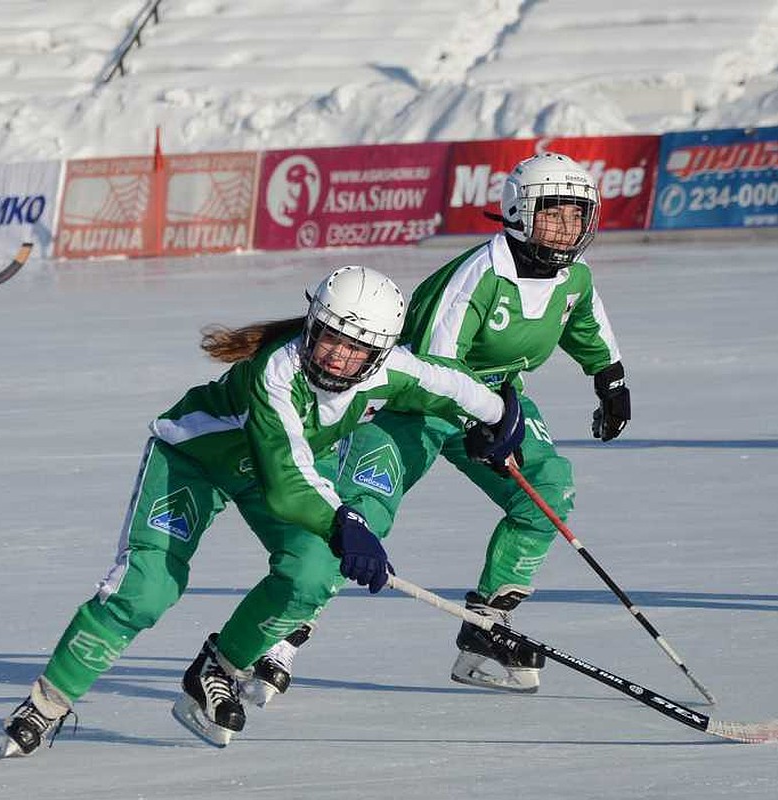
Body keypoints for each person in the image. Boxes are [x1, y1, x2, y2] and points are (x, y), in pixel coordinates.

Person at [0, 265, 526, 757]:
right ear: (313, 325)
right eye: (329, 338)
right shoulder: (276, 373)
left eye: (356, 350)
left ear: (381, 354)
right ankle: (49, 700)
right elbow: (286, 481)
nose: (337, 358)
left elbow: (451, 383)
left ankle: (217, 667)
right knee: (146, 590)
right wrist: (346, 523)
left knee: (312, 575)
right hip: (195, 462)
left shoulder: (393, 371)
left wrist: (502, 418)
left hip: (275, 472)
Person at [246, 151, 631, 701]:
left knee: (548, 491)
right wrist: (477, 421)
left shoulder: (575, 278)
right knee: (363, 511)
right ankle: (279, 634)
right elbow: (433, 369)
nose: (567, 228)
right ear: (519, 213)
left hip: (499, 404)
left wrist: (610, 379)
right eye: (553, 213)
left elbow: (585, 324)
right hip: (412, 405)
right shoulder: (477, 276)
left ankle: (487, 633)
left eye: (577, 215)